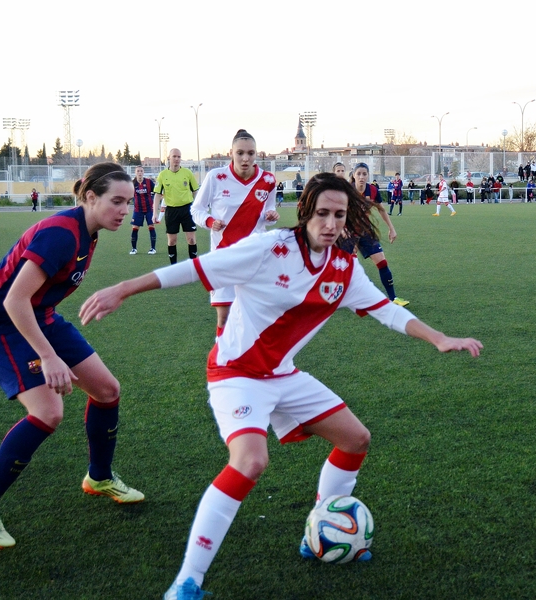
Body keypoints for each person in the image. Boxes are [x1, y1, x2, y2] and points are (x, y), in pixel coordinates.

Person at [78, 173, 483, 599]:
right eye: (322, 213)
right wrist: (123, 288)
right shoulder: (269, 248)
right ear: (305, 212)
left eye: (339, 215)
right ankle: (187, 582)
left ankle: (319, 530)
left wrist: (439, 337)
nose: (330, 223)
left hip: (283, 375)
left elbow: (386, 310)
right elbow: (197, 268)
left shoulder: (345, 269)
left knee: (355, 439)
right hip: (236, 375)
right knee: (250, 462)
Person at [0, 163, 144, 550]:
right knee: (48, 412)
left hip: (40, 317)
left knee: (107, 390)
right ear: (90, 197)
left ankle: (98, 476)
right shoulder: (61, 233)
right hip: (1, 323)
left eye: (128, 203)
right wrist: (48, 358)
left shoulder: (89, 231)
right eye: (116, 201)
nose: (124, 210)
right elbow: (14, 300)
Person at [191, 129, 280, 336]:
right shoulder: (216, 177)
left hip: (255, 257)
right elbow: (196, 210)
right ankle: (222, 364)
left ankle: (252, 364)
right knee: (224, 316)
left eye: (251, 153)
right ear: (231, 153)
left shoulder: (268, 180)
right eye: (240, 153)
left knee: (256, 316)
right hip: (223, 257)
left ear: (257, 154)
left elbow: (269, 209)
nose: (245, 158)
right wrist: (210, 221)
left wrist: (270, 215)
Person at [349, 163, 409, 306]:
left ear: (368, 175)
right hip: (347, 231)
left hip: (365, 230)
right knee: (347, 267)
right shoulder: (346, 190)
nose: (362, 177)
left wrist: (391, 228)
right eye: (359, 174)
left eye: (364, 174)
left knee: (382, 262)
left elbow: (381, 209)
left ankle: (393, 298)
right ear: (354, 175)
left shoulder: (373, 190)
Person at [153, 149, 200, 264]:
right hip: (171, 211)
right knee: (172, 241)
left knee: (191, 239)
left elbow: (195, 191)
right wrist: (155, 213)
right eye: (174, 156)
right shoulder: (163, 175)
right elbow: (158, 194)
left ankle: (194, 266)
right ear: (169, 158)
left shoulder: (187, 173)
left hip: (187, 209)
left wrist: (198, 207)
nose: (177, 159)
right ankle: (173, 267)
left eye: (179, 157)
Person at [130, 166, 158, 255]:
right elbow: (128, 195)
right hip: (138, 210)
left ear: (143, 172)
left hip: (149, 209)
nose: (140, 173)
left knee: (151, 227)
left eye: (141, 171)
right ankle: (134, 249)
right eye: (138, 171)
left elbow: (157, 192)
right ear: (135, 173)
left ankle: (153, 248)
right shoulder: (132, 183)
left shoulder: (149, 182)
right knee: (134, 228)